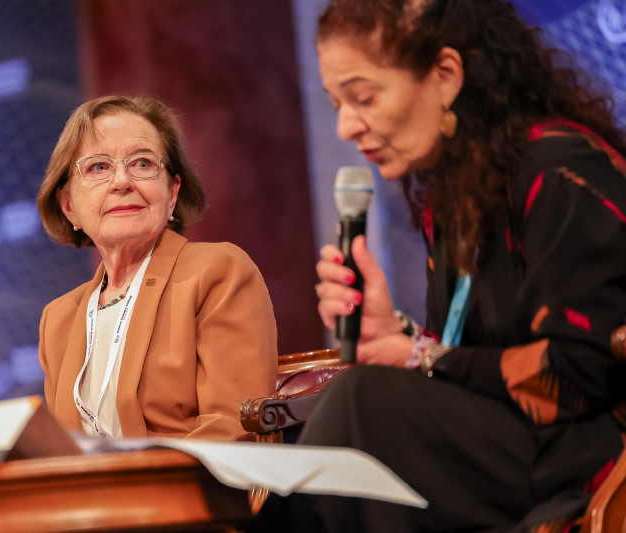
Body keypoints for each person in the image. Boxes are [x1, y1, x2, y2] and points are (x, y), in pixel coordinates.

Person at [258, 0, 626, 531]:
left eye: (363, 97)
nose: (345, 127)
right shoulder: (456, 198)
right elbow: (467, 361)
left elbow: (574, 374)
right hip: (504, 452)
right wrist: (396, 334)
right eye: (336, 103)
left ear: (445, 75)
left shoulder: (560, 170)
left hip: (578, 457)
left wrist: (419, 356)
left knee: (365, 404)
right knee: (354, 419)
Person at [36, 95, 277, 441]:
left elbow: (232, 428)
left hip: (186, 491)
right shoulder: (57, 320)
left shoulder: (216, 274)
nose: (122, 181)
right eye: (98, 167)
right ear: (69, 206)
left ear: (172, 192)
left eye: (143, 164)